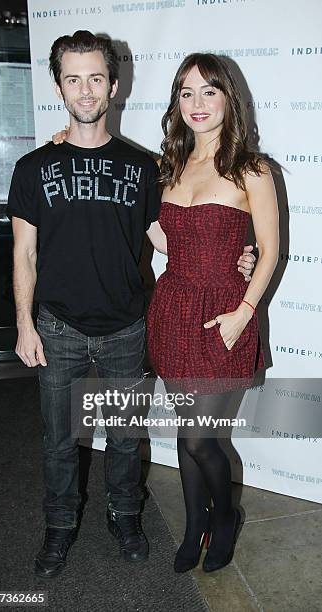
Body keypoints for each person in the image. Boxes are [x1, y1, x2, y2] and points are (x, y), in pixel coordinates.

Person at [8, 31, 255, 579]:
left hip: (126, 329)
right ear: (59, 87)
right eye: (73, 79)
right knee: (58, 442)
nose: (86, 89)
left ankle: (126, 518)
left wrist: (241, 252)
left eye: (96, 77)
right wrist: (24, 325)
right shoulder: (31, 167)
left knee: (124, 438)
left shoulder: (145, 168)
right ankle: (60, 527)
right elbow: (23, 255)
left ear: (113, 85)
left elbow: (173, 237)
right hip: (58, 328)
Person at [146, 53, 279, 573]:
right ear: (176, 104)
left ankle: (224, 517)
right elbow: (155, 227)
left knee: (202, 437)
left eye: (208, 91)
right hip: (173, 310)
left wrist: (244, 313)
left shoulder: (251, 168)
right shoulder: (169, 166)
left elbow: (267, 251)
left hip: (225, 315)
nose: (197, 103)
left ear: (229, 97)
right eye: (186, 93)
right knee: (186, 433)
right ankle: (192, 526)